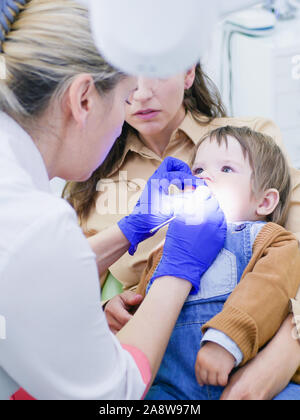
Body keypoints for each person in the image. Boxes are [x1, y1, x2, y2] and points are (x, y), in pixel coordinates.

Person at [0, 0, 227, 400]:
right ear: (84, 99)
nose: (134, 107)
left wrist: (127, 231)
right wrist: (177, 270)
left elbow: (35, 279)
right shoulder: (37, 225)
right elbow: (115, 396)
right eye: (125, 98)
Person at [65, 63, 300, 398]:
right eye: (127, 76)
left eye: (156, 71)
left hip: (250, 355)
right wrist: (108, 310)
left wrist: (281, 356)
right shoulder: (87, 172)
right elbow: (61, 292)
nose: (141, 93)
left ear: (188, 72)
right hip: (151, 365)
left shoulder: (250, 137)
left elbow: (290, 264)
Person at [137, 126, 300, 400]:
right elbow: (148, 305)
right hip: (171, 388)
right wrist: (125, 307)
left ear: (265, 201)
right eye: (198, 170)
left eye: (226, 169)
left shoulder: (273, 241)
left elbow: (268, 290)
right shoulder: (166, 246)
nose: (205, 177)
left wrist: (227, 340)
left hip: (256, 379)